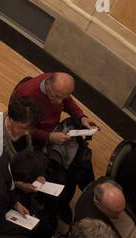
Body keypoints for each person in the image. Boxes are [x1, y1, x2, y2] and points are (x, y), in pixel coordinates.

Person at [10, 72, 97, 214]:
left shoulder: (58, 89)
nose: (59, 102)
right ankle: (61, 202)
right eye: (56, 97)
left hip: (53, 132)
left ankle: (89, 190)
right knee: (60, 170)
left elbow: (67, 101)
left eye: (63, 97)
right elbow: (25, 129)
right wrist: (49, 137)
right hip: (36, 140)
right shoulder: (27, 95)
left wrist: (81, 117)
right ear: (47, 84)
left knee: (80, 157)